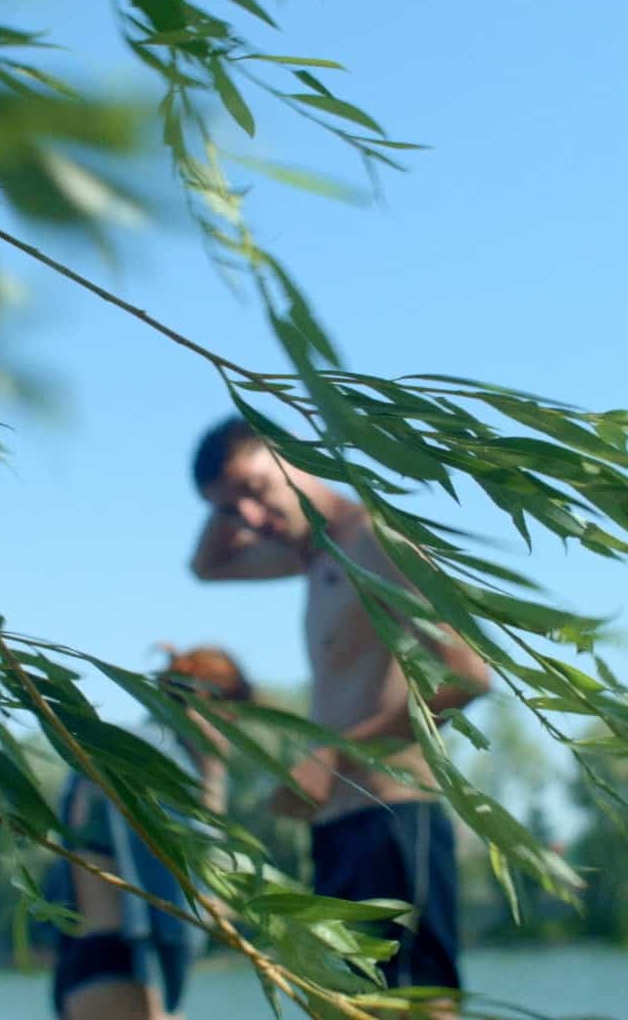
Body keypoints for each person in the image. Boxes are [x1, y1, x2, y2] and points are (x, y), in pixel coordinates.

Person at [187, 417, 490, 998]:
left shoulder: (376, 540)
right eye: (231, 512)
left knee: (417, 1005)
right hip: (340, 828)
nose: (247, 520)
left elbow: (467, 676)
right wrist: (235, 498)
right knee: (352, 1008)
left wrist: (331, 760)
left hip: (396, 819)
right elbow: (206, 567)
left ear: (294, 457)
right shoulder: (311, 555)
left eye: (255, 490)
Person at [46, 645, 251, 1020]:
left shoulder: (121, 742)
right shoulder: (159, 761)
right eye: (234, 715)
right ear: (209, 703)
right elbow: (195, 894)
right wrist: (214, 779)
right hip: (124, 967)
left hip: (84, 961)